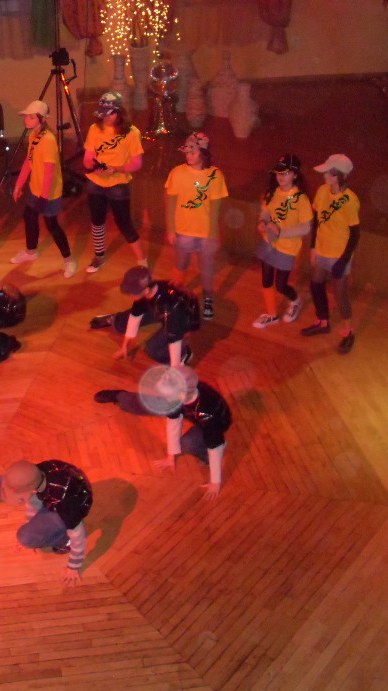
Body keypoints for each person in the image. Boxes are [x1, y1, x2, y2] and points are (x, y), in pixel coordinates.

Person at [94, 366, 231, 499]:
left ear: (182, 395)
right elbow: (173, 422)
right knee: (151, 403)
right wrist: (171, 455)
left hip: (215, 424)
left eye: (167, 396)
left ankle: (207, 453)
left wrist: (215, 482)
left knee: (189, 443)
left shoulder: (208, 416)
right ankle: (120, 396)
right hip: (191, 411)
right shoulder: (179, 395)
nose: (164, 399)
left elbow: (215, 447)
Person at [0, 459, 91, 585]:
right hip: (48, 493)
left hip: (69, 506)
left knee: (27, 537)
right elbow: (34, 501)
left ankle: (63, 541)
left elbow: (78, 535)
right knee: (14, 479)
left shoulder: (66, 506)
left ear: (33, 491)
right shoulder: (35, 473)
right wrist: (32, 522)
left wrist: (74, 567)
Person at [164, 132, 228, 320]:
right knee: (180, 263)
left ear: (203, 153)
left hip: (205, 232)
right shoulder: (177, 173)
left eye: (193, 152)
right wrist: (170, 229)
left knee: (206, 267)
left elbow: (216, 208)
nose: (188, 155)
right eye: (187, 152)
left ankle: (208, 299)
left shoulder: (215, 175)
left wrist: (213, 234)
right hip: (183, 229)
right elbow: (170, 202)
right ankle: (175, 295)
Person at [301, 153, 360, 354]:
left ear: (340, 176)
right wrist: (313, 247)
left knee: (341, 296)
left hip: (339, 254)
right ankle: (323, 321)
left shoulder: (350, 201)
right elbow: (317, 221)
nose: (325, 176)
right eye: (326, 172)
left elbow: (355, 234)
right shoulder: (322, 191)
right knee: (316, 285)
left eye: (330, 173)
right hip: (322, 249)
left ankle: (348, 333)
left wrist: (343, 260)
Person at [82, 91, 146, 273]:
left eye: (110, 114)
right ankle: (98, 256)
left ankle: (142, 261)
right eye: (103, 114)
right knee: (97, 221)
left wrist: (116, 169)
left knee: (124, 223)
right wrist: (93, 166)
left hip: (118, 183)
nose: (106, 118)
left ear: (120, 112)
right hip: (95, 182)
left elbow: (137, 163)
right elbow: (87, 158)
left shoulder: (132, 133)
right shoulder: (95, 129)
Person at [10, 100, 74, 277]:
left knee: (52, 225)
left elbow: (50, 171)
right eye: (26, 116)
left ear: (41, 119)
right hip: (35, 188)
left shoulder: (48, 140)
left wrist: (44, 198)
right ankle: (31, 251)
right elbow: (28, 162)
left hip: (49, 192)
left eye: (31, 117)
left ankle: (68, 260)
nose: (26, 120)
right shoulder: (34, 136)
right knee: (29, 216)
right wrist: (19, 184)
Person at [89, 265, 198, 365]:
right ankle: (116, 320)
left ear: (146, 291)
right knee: (137, 309)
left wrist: (175, 367)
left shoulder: (168, 307)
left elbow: (174, 338)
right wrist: (125, 346)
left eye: (133, 294)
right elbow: (135, 315)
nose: (131, 296)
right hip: (162, 310)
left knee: (153, 350)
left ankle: (184, 354)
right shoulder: (148, 290)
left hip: (183, 320)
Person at [253, 153, 312, 329]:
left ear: (295, 174)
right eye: (279, 172)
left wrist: (281, 232)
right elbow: (265, 212)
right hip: (269, 242)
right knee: (266, 280)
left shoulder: (300, 199)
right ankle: (272, 314)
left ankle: (295, 300)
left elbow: (306, 227)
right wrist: (262, 222)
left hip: (287, 247)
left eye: (285, 173)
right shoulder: (272, 192)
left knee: (280, 285)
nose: (281, 177)